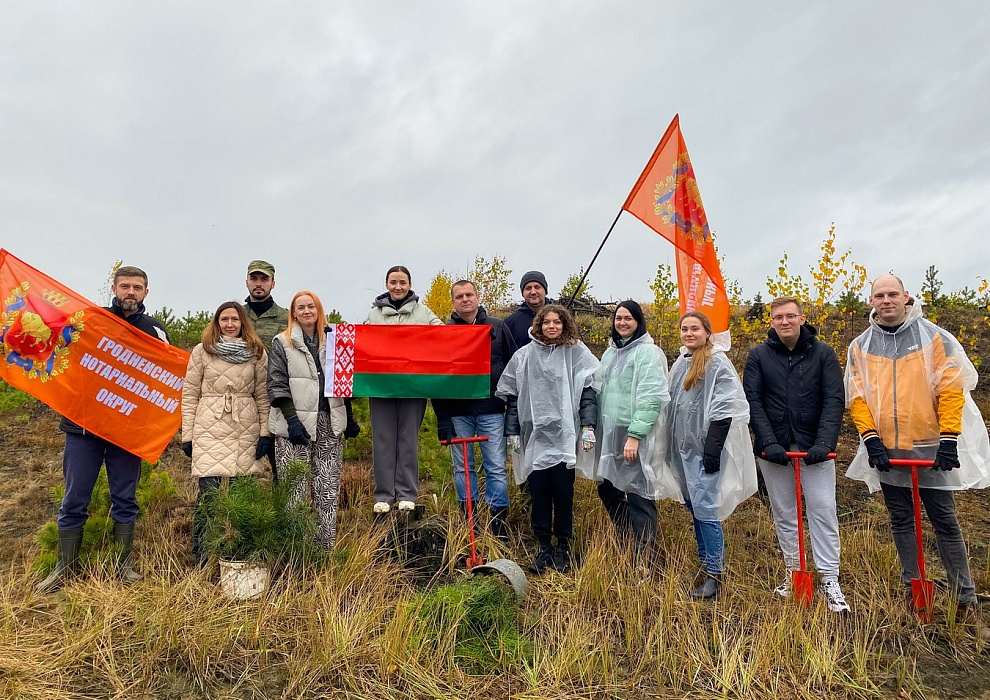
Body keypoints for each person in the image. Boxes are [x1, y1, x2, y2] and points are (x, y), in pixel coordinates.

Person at [845, 274, 990, 639]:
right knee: (901, 519)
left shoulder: (934, 337)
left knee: (945, 520)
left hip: (929, 446)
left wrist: (949, 438)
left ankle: (965, 600)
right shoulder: (860, 346)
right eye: (880, 295)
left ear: (906, 296)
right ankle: (914, 590)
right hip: (888, 449)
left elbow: (951, 387)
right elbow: (858, 396)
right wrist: (870, 438)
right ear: (871, 301)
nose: (887, 300)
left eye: (893, 293)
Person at [37, 265, 170, 593]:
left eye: (137, 287)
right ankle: (64, 569)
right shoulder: (91, 320)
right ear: (114, 287)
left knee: (125, 498)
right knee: (74, 499)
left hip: (128, 429)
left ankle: (122, 566)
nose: (130, 292)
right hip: (83, 428)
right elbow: (64, 352)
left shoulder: (154, 330)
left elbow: (166, 376)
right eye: (125, 286)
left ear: (146, 293)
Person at [743, 296, 849, 613]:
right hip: (774, 450)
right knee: (785, 513)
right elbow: (753, 400)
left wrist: (824, 442)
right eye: (778, 317)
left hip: (814, 448)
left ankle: (830, 579)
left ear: (802, 319)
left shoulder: (824, 354)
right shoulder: (759, 356)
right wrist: (768, 441)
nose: (785, 322)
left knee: (823, 510)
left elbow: (833, 399)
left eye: (791, 316)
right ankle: (795, 572)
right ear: (771, 322)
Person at [496, 304, 600, 574]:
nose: (551, 326)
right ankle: (544, 547)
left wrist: (588, 426)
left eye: (557, 322)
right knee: (539, 492)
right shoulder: (525, 356)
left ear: (565, 325)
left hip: (565, 437)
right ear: (538, 325)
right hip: (536, 439)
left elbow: (588, 390)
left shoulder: (575, 353)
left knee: (563, 493)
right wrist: (512, 431)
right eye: (546, 322)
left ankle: (563, 547)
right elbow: (513, 396)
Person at [664, 311, 756, 600]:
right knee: (696, 507)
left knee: (706, 510)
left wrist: (712, 451)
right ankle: (706, 566)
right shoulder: (682, 362)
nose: (689, 333)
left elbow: (726, 407)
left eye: (695, 329)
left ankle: (715, 574)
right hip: (684, 449)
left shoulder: (716, 362)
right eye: (684, 329)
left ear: (707, 332)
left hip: (705, 450)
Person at [180, 302, 271, 563]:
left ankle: (239, 556)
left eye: (234, 319)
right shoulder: (202, 351)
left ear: (243, 322)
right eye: (224, 319)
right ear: (216, 323)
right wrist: (188, 435)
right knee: (208, 495)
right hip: (210, 425)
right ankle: (201, 557)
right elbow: (189, 394)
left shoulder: (256, 352)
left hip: (245, 425)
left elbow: (263, 395)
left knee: (243, 495)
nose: (229, 324)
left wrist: (265, 433)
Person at [433, 280, 517, 541]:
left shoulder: (498, 327)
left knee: (495, 467)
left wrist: (510, 407)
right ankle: (470, 522)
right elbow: (435, 377)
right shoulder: (444, 333)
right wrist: (443, 418)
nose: (465, 299)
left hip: (492, 409)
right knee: (463, 468)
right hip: (458, 413)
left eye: (469, 294)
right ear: (453, 302)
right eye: (459, 296)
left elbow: (515, 368)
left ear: (478, 297)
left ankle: (497, 524)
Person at [268, 290, 347, 549]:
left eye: (310, 306)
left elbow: (345, 380)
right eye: (300, 308)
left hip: (329, 423)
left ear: (318, 309)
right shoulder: (282, 342)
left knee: (327, 490)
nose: (306, 311)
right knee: (295, 491)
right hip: (295, 426)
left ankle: (324, 549)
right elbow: (277, 383)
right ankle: (296, 549)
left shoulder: (336, 339)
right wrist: (292, 420)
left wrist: (350, 416)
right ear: (293, 313)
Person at [595, 300, 670, 564]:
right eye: (618, 318)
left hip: (635, 432)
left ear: (638, 322)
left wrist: (635, 436)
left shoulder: (648, 353)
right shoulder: (610, 352)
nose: (622, 323)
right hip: (611, 431)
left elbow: (652, 397)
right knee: (607, 486)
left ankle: (644, 556)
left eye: (628, 318)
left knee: (639, 492)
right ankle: (629, 538)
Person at [365, 266, 443, 513]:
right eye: (393, 282)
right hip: (381, 387)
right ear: (386, 284)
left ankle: (407, 493)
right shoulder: (374, 314)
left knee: (408, 439)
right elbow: (362, 339)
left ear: (410, 284)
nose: (398, 287)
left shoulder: (423, 312)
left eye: (402, 282)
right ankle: (384, 495)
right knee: (383, 440)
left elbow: (444, 335)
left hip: (413, 387)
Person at [242, 260, 289, 349]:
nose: (258, 284)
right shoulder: (235, 316)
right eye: (253, 279)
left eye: (264, 279)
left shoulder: (288, 319)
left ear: (273, 284)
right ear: (246, 282)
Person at [504, 271, 552, 349]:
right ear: (523, 293)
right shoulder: (510, 323)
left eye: (537, 287)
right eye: (528, 288)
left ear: (545, 291)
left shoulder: (561, 318)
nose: (533, 292)